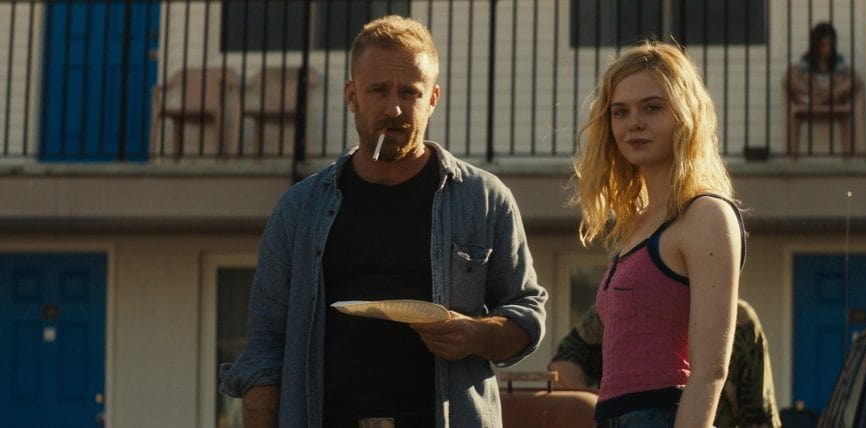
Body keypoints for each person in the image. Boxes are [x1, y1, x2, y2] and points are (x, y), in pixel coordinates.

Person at [218, 15, 547, 427]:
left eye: (410, 92)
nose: (394, 108)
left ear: (432, 99)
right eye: (378, 90)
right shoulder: (299, 209)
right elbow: (266, 345)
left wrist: (478, 335)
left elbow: (526, 311)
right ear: (351, 96)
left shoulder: (482, 198)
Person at [572, 39, 745, 428]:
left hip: (662, 414)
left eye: (652, 107)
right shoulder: (634, 222)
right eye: (621, 111)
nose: (634, 122)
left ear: (684, 115)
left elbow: (710, 370)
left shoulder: (706, 215)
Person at [548, 300, 782, 428]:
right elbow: (565, 361)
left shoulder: (738, 320)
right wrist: (596, 407)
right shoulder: (622, 303)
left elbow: (759, 415)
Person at [785, 22, 863, 157]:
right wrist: (813, 89)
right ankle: (792, 157)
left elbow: (850, 81)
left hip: (833, 97)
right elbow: (796, 80)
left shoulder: (838, 61)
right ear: (816, 45)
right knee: (790, 78)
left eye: (830, 44)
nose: (828, 48)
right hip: (812, 95)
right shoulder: (807, 60)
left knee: (853, 80)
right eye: (823, 45)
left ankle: (822, 99)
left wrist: (831, 91)